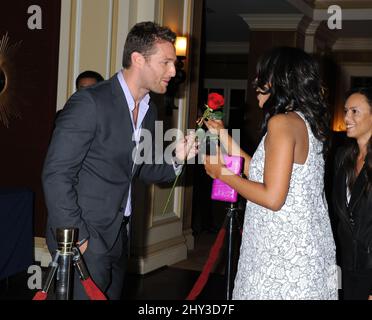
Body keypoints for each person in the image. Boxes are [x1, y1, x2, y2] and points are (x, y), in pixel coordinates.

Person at [42, 21, 196, 300]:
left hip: (119, 237)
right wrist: (79, 238)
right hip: (83, 239)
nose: (174, 71)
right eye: (166, 62)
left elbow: (144, 168)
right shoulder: (90, 103)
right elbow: (56, 173)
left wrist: (177, 157)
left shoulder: (148, 109)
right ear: (138, 59)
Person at [203, 47, 338, 299]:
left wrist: (222, 173)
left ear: (279, 81)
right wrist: (222, 134)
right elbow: (260, 170)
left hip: (281, 256)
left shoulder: (282, 123)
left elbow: (272, 197)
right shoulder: (303, 122)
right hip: (303, 252)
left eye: (262, 77)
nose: (256, 83)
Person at [332, 87, 372, 300]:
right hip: (347, 265)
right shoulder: (342, 157)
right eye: (346, 110)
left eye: (354, 111)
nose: (346, 117)